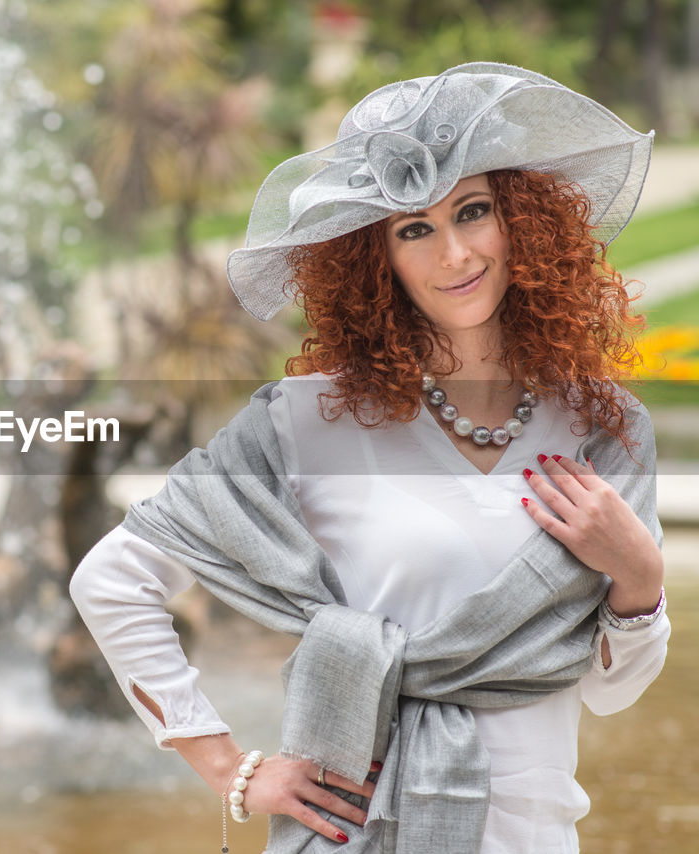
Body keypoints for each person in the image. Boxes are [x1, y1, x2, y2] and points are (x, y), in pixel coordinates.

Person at [70, 63, 669, 854]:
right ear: (374, 258)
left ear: (522, 220)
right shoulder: (306, 421)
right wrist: (233, 771)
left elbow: (610, 692)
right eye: (413, 228)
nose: (454, 253)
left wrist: (639, 578)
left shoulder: (605, 426)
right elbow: (113, 580)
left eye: (474, 211)